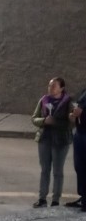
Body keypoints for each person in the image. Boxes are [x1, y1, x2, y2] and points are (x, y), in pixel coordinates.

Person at [31, 76, 72, 207]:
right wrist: (43, 121)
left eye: (54, 86)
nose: (50, 88)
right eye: (49, 85)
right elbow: (34, 118)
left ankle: (55, 200)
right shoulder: (43, 100)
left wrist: (60, 121)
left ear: (62, 88)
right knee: (45, 169)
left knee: (58, 171)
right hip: (45, 138)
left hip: (61, 140)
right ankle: (42, 198)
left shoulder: (68, 101)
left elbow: (72, 122)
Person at [65, 84, 86, 211]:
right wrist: (73, 114)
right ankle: (83, 197)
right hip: (80, 132)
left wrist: (83, 113)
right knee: (80, 167)